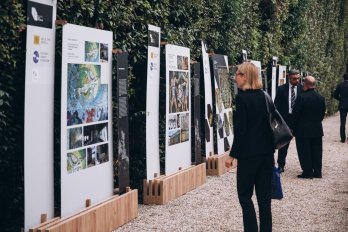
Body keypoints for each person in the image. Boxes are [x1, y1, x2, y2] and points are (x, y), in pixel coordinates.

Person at [225, 62, 275, 232]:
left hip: (249, 156)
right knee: (264, 199)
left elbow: (241, 131)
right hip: (267, 153)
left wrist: (232, 155)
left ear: (245, 76)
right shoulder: (265, 96)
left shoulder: (242, 99)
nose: (235, 77)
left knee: (245, 197)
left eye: (237, 73)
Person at [289, 76, 326, 178]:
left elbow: (296, 114)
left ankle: (308, 172)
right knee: (317, 151)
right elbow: (322, 113)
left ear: (305, 84)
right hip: (317, 129)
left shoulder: (301, 97)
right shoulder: (321, 98)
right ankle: (318, 172)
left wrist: (291, 127)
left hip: (303, 130)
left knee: (304, 151)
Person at [274, 69, 302, 173]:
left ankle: (305, 166)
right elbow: (276, 105)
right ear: (289, 78)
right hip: (285, 118)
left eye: (298, 78)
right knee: (283, 143)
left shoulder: (302, 88)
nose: (297, 80)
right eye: (294, 78)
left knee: (301, 143)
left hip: (298, 119)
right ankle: (281, 164)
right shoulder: (281, 89)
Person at [333, 73, 348, 143]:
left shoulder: (340, 85)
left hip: (343, 105)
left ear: (343, 78)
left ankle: (343, 139)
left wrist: (341, 99)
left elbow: (335, 95)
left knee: (342, 123)